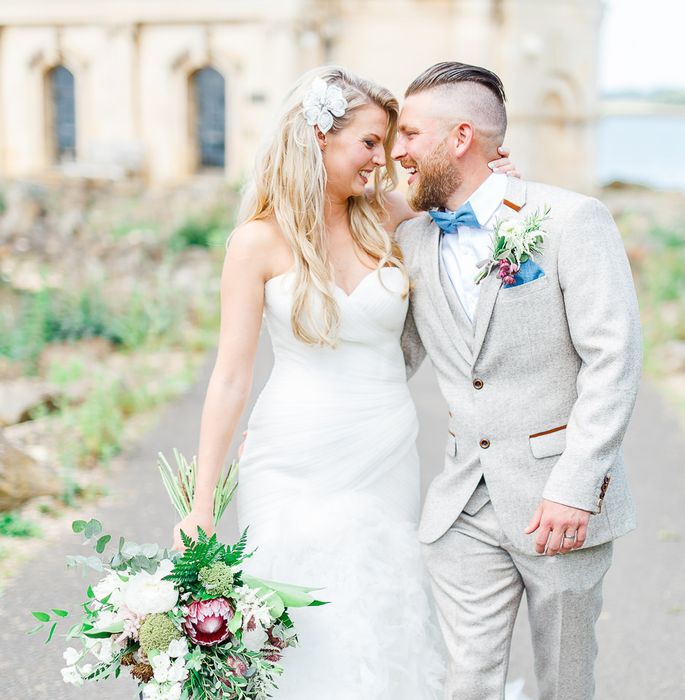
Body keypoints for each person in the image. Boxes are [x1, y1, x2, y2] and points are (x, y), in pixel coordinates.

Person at [171, 65, 518, 699]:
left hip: (384, 450)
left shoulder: (393, 219)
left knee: (379, 614)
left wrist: (500, 197)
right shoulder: (256, 243)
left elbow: (474, 246)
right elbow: (229, 378)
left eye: (388, 144)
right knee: (296, 622)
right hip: (290, 455)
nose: (382, 160)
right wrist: (200, 506)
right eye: (368, 142)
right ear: (317, 138)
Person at [393, 62, 643, 700]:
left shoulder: (569, 220)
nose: (399, 151)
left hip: (557, 504)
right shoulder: (413, 239)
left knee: (564, 679)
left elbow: (612, 358)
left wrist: (576, 486)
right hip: (462, 504)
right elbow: (393, 358)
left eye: (411, 134)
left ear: (460, 138)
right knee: (466, 680)